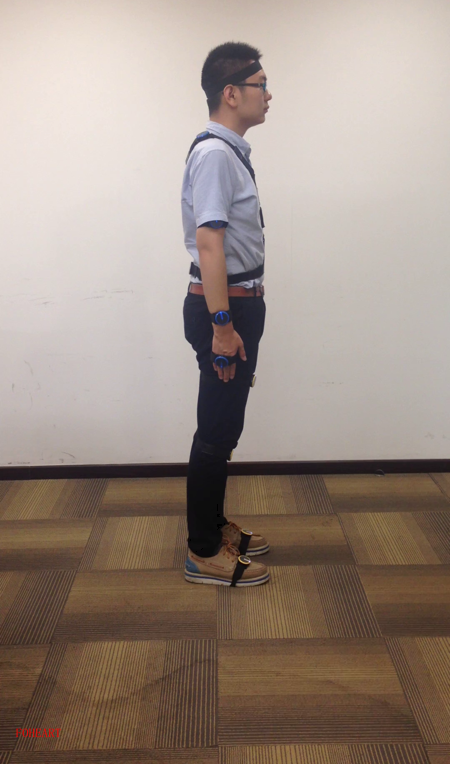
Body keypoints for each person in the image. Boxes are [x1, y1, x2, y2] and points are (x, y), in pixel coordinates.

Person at [181, 42, 273, 587]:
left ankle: (214, 528)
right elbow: (209, 244)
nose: (269, 95)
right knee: (216, 431)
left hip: (236, 306)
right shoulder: (215, 154)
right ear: (232, 93)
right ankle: (202, 552)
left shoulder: (228, 151)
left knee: (224, 426)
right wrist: (222, 327)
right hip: (224, 311)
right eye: (261, 85)